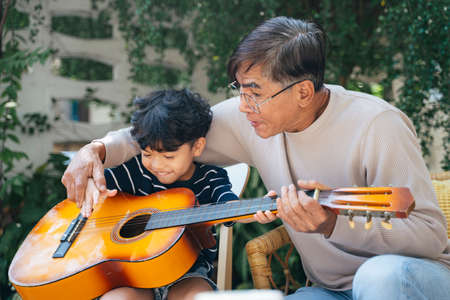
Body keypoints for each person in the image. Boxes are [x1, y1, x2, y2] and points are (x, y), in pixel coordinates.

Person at [62, 16, 450, 299]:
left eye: (254, 92)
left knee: (378, 278)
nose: (243, 106)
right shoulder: (249, 119)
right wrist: (94, 150)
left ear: (302, 92)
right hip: (331, 292)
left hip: (413, 279)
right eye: (239, 90)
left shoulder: (378, 125)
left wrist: (333, 225)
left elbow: (430, 237)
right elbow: (166, 133)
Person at [81, 89, 240, 300]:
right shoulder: (133, 170)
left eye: (168, 156)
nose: (156, 164)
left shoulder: (211, 177)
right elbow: (95, 191)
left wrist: (249, 210)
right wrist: (91, 188)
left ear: (197, 146)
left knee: (196, 297)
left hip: (187, 272)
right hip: (131, 272)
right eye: (147, 154)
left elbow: (227, 201)